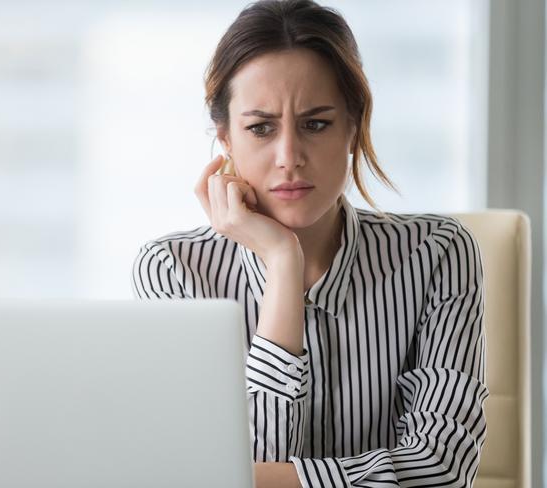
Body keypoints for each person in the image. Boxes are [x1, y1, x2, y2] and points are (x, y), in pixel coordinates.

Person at [131, 1, 489, 487]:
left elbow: (441, 471)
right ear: (226, 139)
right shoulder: (173, 271)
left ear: (352, 126)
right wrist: (282, 265)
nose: (289, 158)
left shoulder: (439, 253)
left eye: (315, 123)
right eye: (260, 128)